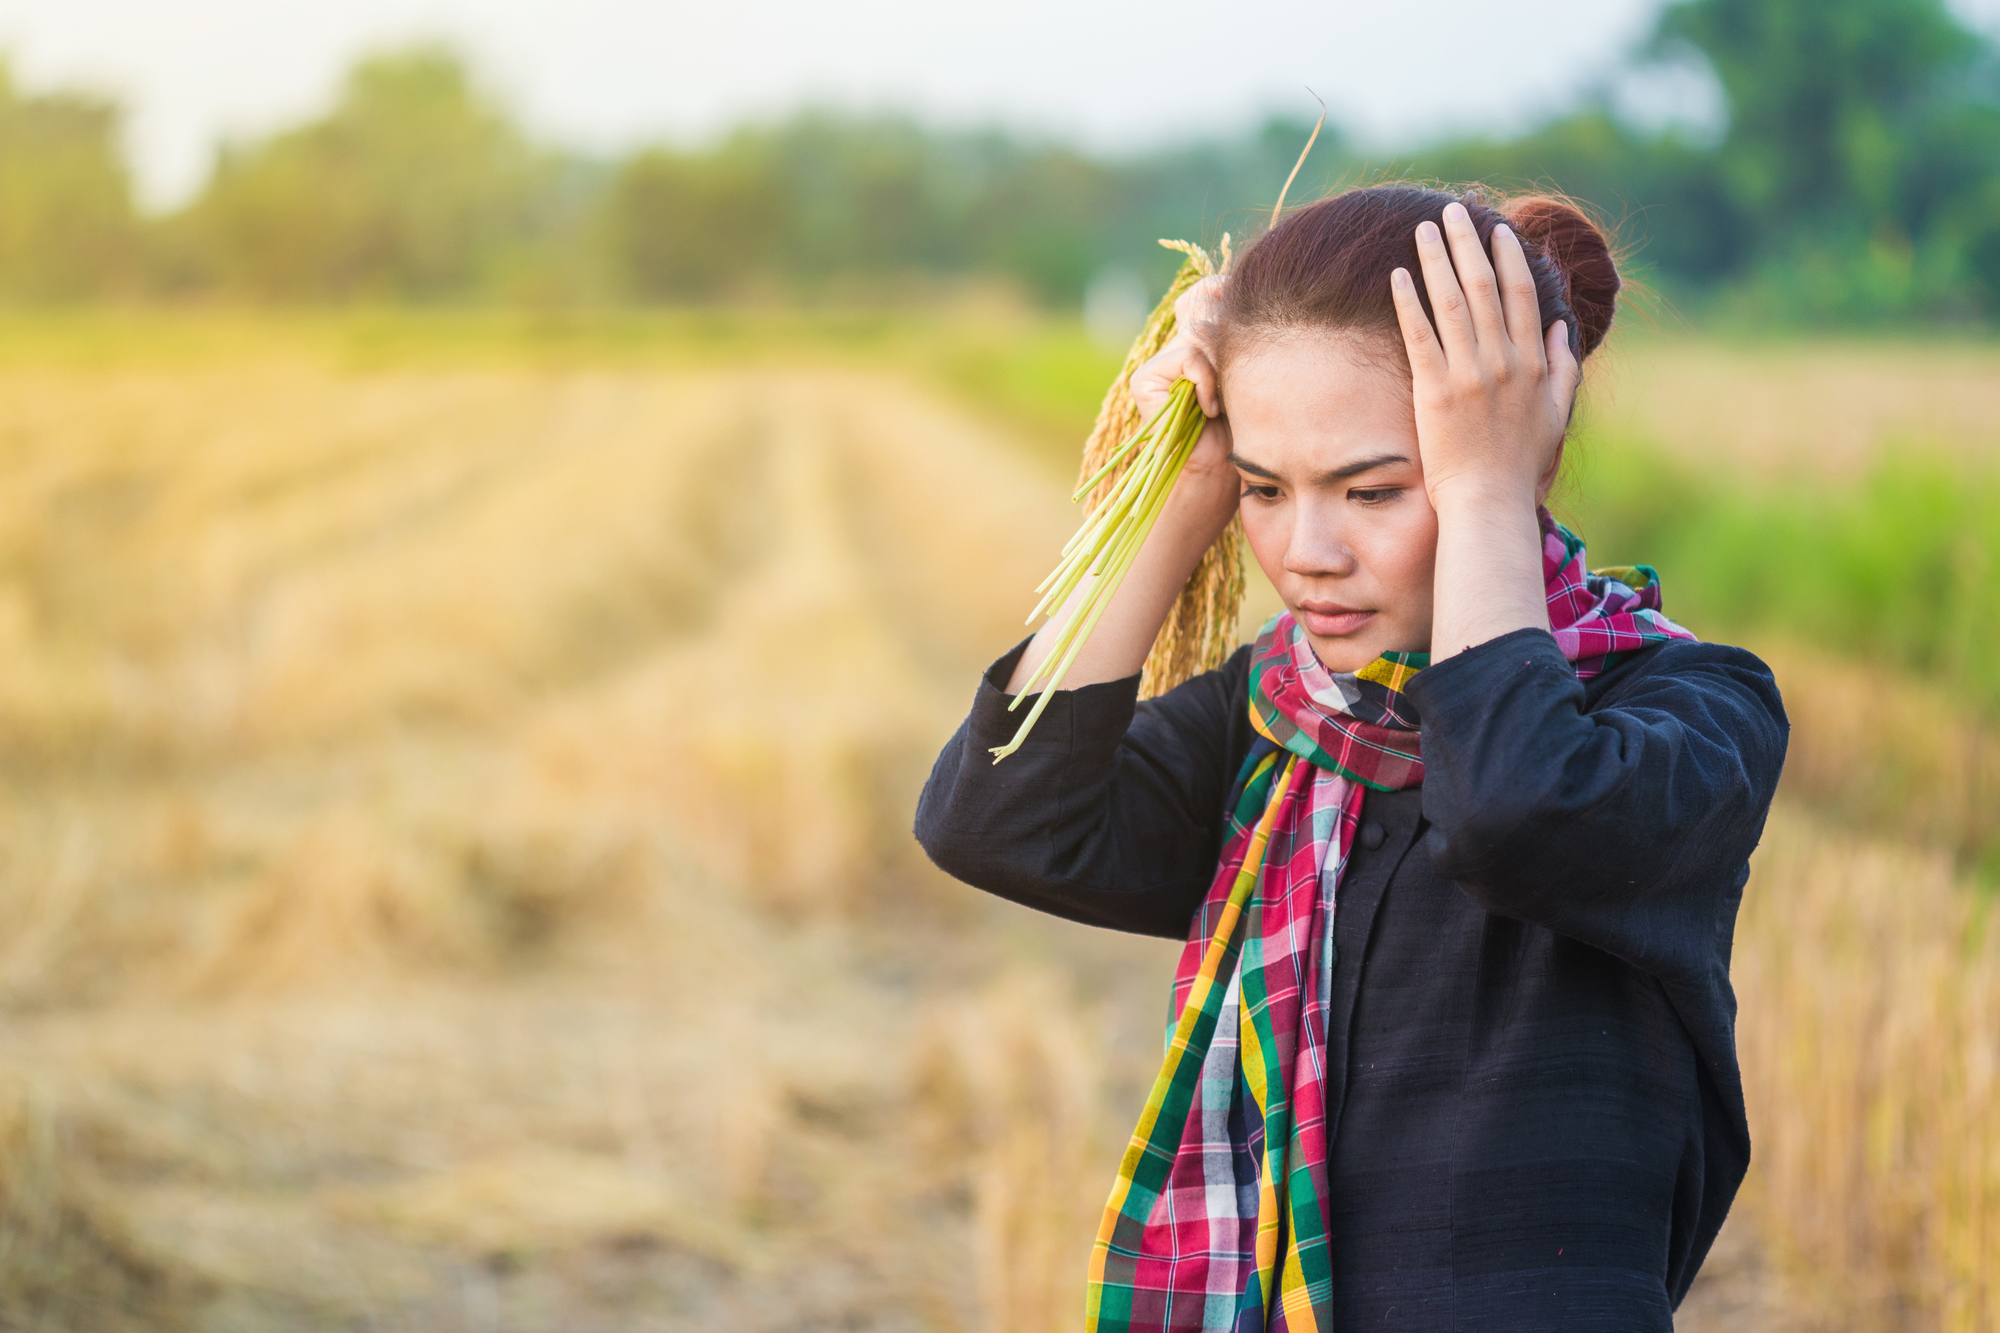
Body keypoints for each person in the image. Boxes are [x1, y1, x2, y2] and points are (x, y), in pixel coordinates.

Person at [913, 184, 1788, 1331]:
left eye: (1373, 490)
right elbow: (1000, 814)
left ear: (1524, 450)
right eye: (1265, 489)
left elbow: (1512, 811)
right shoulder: (1273, 716)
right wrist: (1175, 499)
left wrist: (1486, 491)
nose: (1305, 553)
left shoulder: (1688, 707)